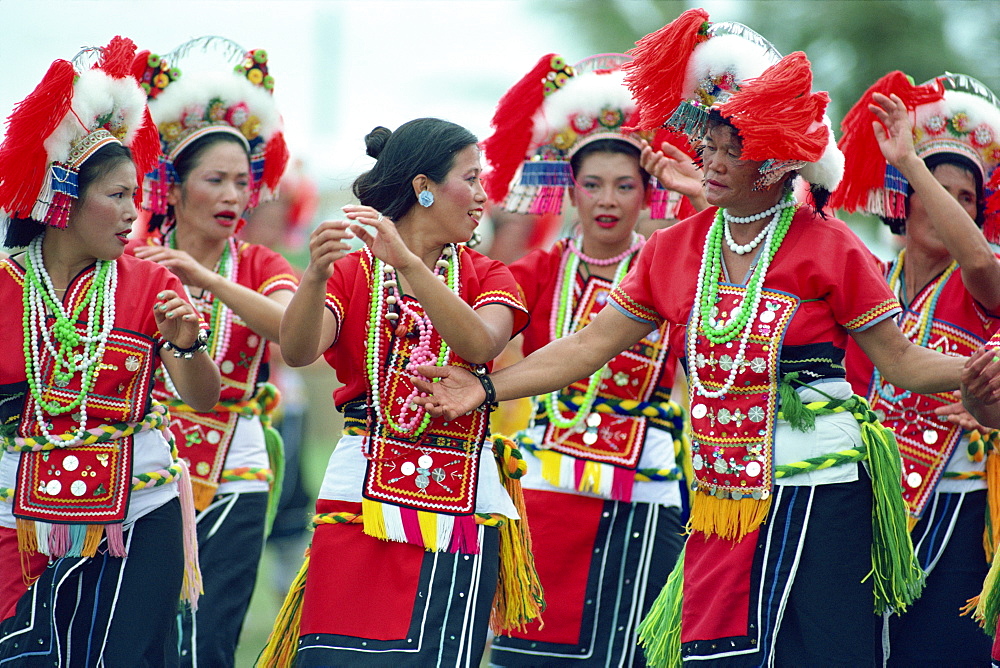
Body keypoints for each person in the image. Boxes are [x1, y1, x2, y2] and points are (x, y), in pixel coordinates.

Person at [416, 10, 969, 666]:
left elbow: (902, 363)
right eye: (706, 143)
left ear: (768, 161)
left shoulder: (830, 248)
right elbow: (587, 347)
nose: (707, 158)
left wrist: (979, 369)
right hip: (720, 497)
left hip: (822, 499)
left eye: (727, 148)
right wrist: (485, 388)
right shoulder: (673, 251)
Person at [258, 117, 539, 667]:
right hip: (358, 492)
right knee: (339, 655)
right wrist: (314, 275)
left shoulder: (489, 274)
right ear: (423, 187)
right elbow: (299, 351)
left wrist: (408, 263)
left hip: (460, 502)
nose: (484, 195)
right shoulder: (351, 272)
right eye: (472, 178)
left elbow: (480, 342)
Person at [0, 37, 220, 665]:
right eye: (117, 195)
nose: (133, 213)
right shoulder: (5, 289)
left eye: (136, 193)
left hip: (137, 516)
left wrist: (189, 341)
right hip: (19, 522)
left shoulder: (151, 283)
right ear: (63, 197)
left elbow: (203, 396)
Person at [480, 52, 698, 667]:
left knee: (629, 648)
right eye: (593, 184)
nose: (607, 200)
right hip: (548, 481)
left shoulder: (674, 262)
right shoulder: (538, 270)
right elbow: (477, 319)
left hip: (647, 482)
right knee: (534, 650)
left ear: (648, 192)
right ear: (568, 187)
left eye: (625, 185)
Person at [128, 38, 297, 667]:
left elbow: (290, 329)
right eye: (214, 180)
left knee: (209, 635)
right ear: (171, 187)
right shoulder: (132, 263)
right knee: (140, 636)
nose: (233, 195)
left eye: (242, 181)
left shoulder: (258, 264)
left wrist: (210, 282)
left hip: (235, 467)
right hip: (144, 465)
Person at [835, 71, 1000, 666]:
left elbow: (979, 258)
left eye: (964, 198)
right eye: (932, 187)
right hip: (863, 509)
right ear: (902, 196)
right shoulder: (867, 278)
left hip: (957, 516)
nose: (944, 204)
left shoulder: (983, 284)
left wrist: (911, 158)